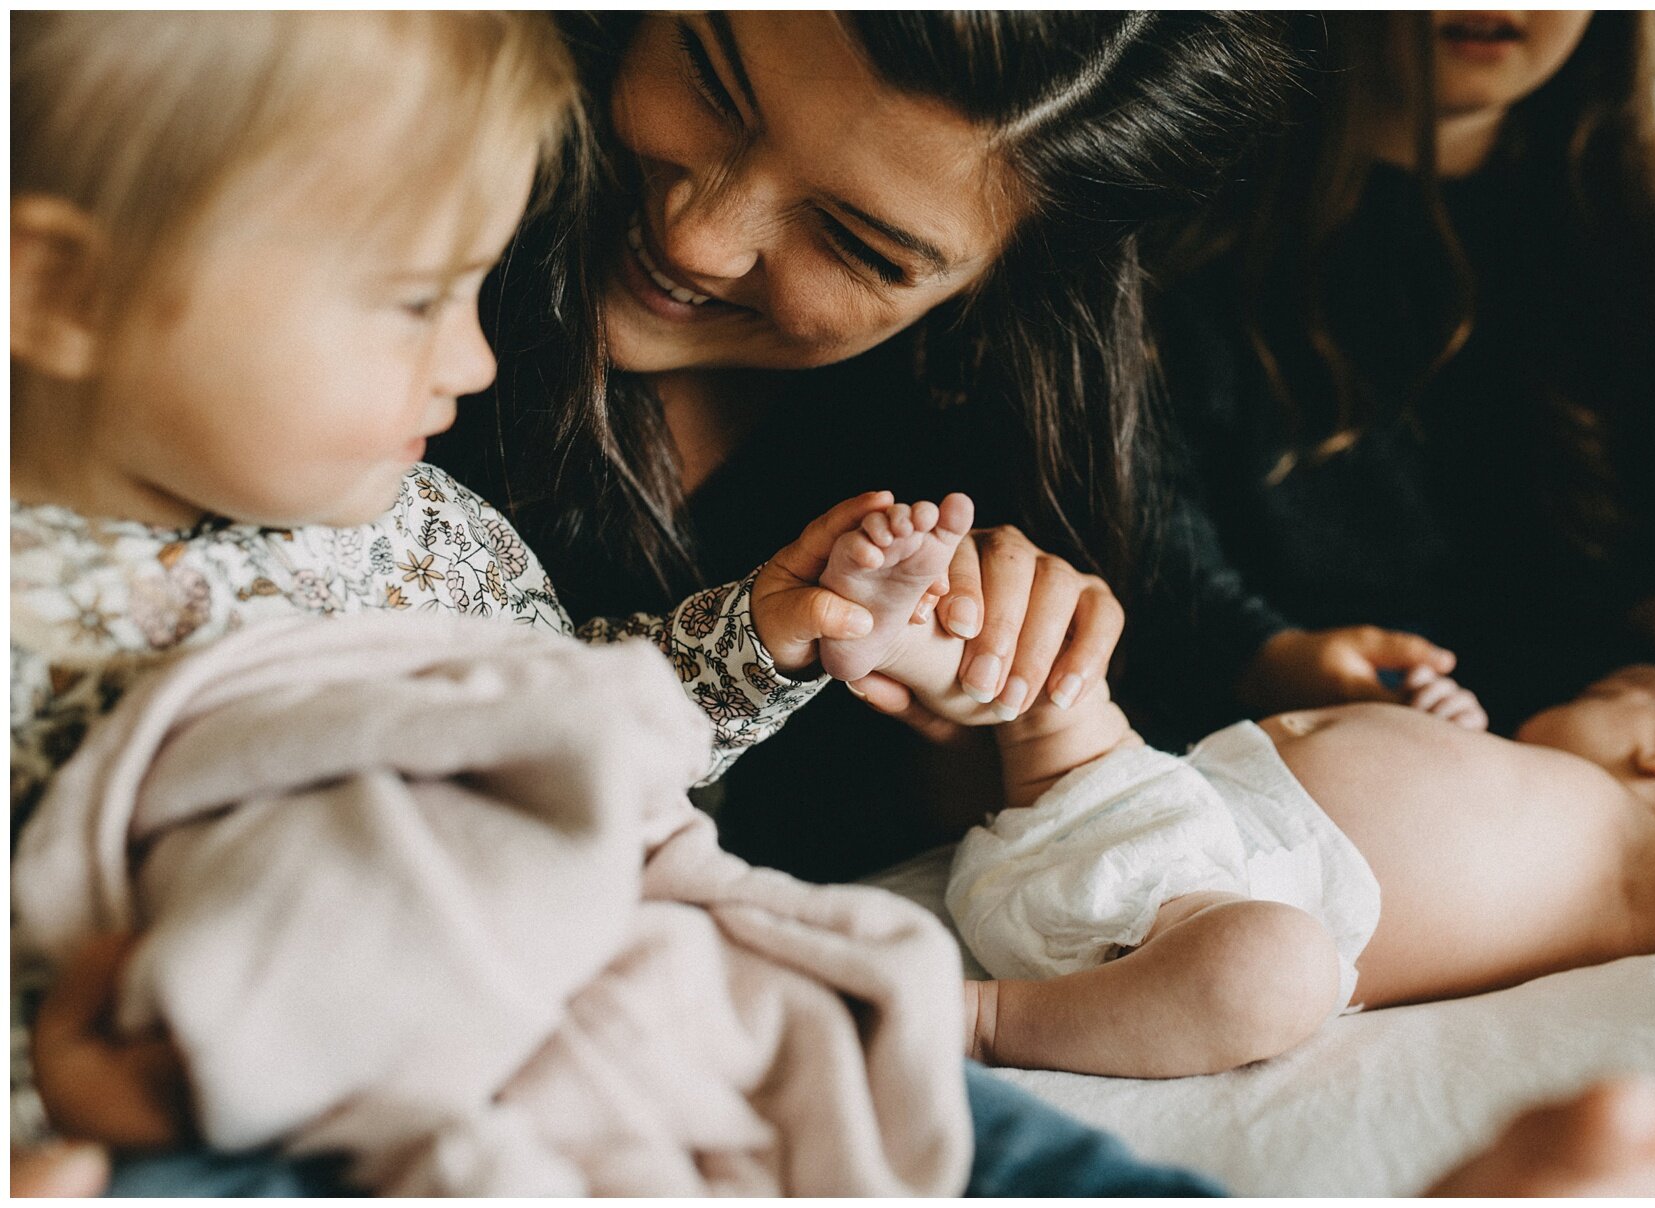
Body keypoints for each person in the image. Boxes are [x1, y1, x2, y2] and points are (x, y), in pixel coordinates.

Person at [8, 10, 951, 1191]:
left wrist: (763, 637)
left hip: (575, 1023)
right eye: (416, 302)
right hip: (243, 1102)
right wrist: (46, 1111)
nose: (474, 361)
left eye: (474, 292)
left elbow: (563, 734)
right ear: (62, 290)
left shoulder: (423, 528)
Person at [431, 10, 1303, 881]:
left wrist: (991, 712)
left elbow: (889, 858)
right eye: (711, 82)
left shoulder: (964, 446)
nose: (700, 236)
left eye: (855, 244)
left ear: (994, 292)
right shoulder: (380, 201)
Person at [805, 515, 1655, 1080]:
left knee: (1284, 973)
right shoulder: (1522, 773)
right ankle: (892, 622)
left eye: (1590, 700)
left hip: (1197, 924)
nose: (1549, 711)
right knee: (1052, 684)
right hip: (1138, 800)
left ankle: (984, 1019)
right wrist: (1435, 720)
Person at [1129, 10, 1655, 742]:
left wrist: (1651, 604)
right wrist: (1257, 654)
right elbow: (1132, 504)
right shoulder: (1171, 220)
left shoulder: (1654, 223)